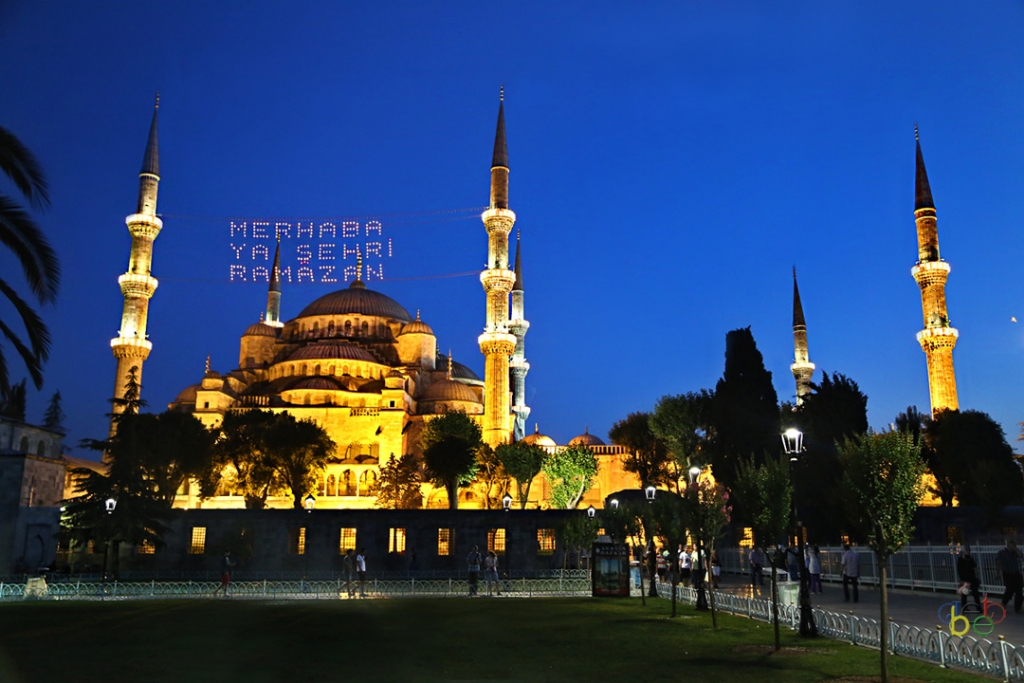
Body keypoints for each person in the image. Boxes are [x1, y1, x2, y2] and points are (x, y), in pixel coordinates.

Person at [996, 540, 1024, 613]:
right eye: (1012, 546)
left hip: (1016, 573)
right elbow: (998, 563)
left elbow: (1021, 555)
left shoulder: (1015, 553)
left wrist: (1015, 549)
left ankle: (1018, 608)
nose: (1014, 547)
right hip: (1007, 574)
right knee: (1009, 591)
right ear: (1008, 546)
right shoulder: (1002, 553)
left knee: (1019, 591)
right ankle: (1003, 603)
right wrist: (999, 573)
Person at [956, 545, 981, 610]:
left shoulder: (970, 558)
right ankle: (964, 608)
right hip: (965, 579)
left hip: (972, 578)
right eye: (967, 551)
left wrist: (975, 569)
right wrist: (961, 579)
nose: (968, 552)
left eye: (969, 551)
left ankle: (978, 607)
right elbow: (959, 570)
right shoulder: (961, 560)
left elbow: (974, 566)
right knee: (965, 594)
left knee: (975, 594)